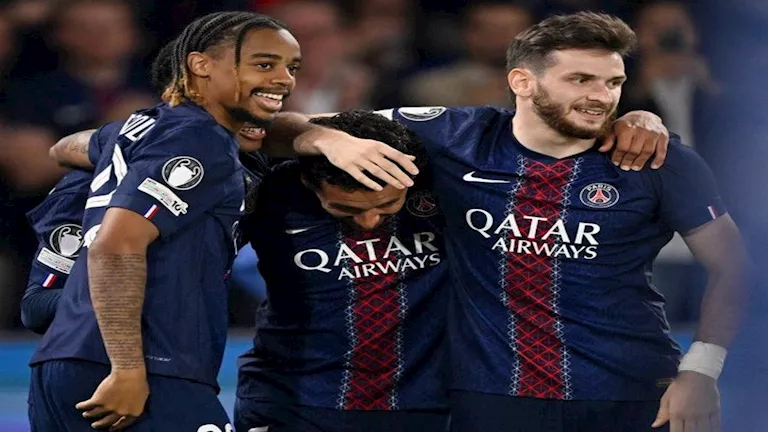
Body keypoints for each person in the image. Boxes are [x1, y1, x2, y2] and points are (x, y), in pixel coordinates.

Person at [258, 12, 747, 432]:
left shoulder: (658, 160)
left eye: (613, 83)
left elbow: (734, 267)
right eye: (580, 80)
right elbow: (270, 128)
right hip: (495, 396)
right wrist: (325, 137)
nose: (601, 96)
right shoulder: (452, 136)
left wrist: (701, 371)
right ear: (522, 82)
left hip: (637, 391)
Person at [28, 12, 302, 431]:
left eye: (292, 67)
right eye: (264, 64)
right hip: (146, 367)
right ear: (201, 65)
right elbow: (116, 245)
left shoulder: (144, 131)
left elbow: (63, 148)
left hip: (64, 364)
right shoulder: (200, 138)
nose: (284, 79)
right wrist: (127, 369)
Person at [235, 110, 449, 432]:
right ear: (309, 182)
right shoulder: (273, 193)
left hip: (422, 406)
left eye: (387, 205)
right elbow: (243, 129)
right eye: (345, 209)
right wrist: (321, 136)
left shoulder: (443, 181)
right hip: (290, 404)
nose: (368, 222)